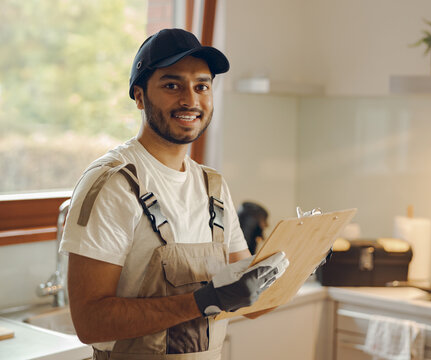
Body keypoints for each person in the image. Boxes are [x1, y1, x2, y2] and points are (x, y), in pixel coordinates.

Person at [59, 28, 289, 359]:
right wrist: (204, 301)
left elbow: (251, 304)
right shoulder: (114, 183)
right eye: (172, 85)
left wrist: (299, 260)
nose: (191, 100)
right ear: (139, 96)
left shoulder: (213, 186)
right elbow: (90, 323)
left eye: (202, 86)